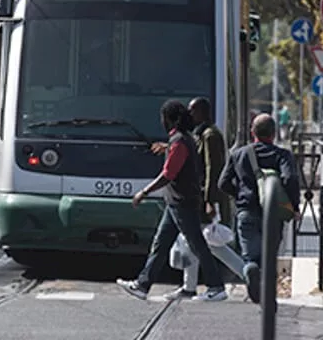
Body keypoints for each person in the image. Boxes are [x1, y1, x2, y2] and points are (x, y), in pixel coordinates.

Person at [117, 100, 228, 302]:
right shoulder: (183, 139)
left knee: (197, 244)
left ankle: (216, 286)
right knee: (161, 244)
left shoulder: (180, 141)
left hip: (182, 202)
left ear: (169, 119)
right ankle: (142, 285)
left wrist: (144, 192)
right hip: (175, 202)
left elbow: (168, 174)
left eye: (164, 118)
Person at [165, 98, 256, 301]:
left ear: (201, 112)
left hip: (208, 199)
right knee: (196, 240)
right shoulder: (200, 134)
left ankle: (245, 273)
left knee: (209, 243)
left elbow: (212, 169)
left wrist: (209, 201)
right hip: (202, 197)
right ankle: (189, 287)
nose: (188, 114)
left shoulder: (210, 135)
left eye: (192, 110)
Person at [218, 113, 301, 285]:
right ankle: (267, 295)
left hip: (246, 211)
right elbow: (290, 179)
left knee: (250, 257)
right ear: (274, 133)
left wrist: (239, 195)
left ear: (252, 132)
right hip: (274, 214)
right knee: (269, 257)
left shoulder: (239, 154)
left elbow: (222, 183)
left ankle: (250, 271)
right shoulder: (283, 155)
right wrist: (294, 206)